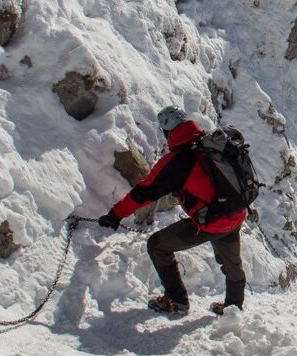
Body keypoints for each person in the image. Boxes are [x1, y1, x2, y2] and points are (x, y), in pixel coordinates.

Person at [97, 106, 247, 315]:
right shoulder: (209, 146)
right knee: (232, 263)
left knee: (157, 246)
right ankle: (233, 308)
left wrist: (115, 215)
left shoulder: (178, 161)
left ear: (168, 132)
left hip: (213, 221)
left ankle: (177, 300)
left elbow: (144, 193)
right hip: (235, 212)